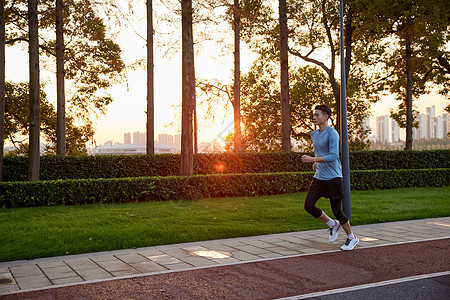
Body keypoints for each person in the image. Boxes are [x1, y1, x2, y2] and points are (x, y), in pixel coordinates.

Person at [301, 104, 359, 251]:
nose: (314, 117)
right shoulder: (314, 134)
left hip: (333, 176)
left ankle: (352, 237)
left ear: (326, 117)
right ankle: (332, 224)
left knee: (337, 210)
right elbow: (319, 151)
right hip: (320, 176)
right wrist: (316, 162)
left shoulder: (332, 134)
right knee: (308, 205)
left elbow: (333, 156)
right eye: (314, 115)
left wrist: (313, 160)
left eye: (317, 115)